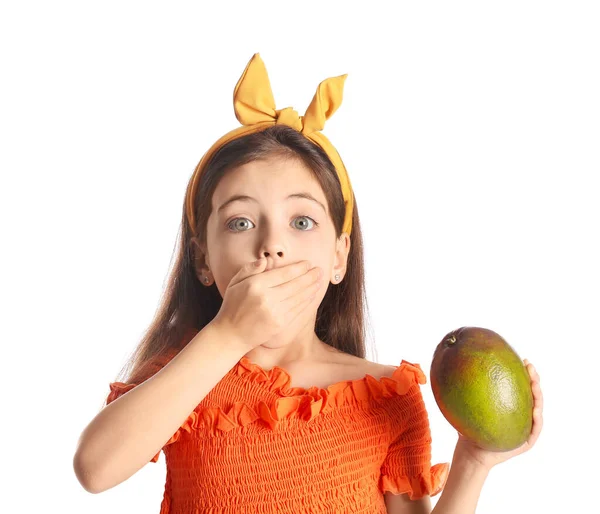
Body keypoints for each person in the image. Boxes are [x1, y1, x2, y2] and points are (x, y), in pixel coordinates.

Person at [73, 53, 543, 514]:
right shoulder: (186, 375)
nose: (272, 243)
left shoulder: (384, 396)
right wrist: (230, 333)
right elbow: (95, 469)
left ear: (339, 256)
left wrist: (473, 463)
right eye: (240, 222)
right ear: (203, 261)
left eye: (301, 221)